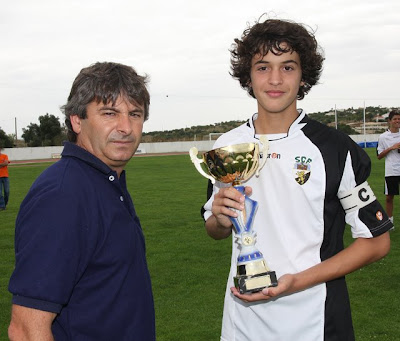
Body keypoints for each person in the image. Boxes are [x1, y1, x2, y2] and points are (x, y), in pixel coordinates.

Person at [201, 17, 392, 341]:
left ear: (304, 75)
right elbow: (215, 229)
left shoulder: (334, 148)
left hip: (314, 321)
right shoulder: (227, 147)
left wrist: (296, 281)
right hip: (242, 323)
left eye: (288, 67)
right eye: (263, 67)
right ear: (248, 74)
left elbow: (377, 242)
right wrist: (219, 219)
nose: (275, 79)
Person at [8, 62, 155, 341]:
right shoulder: (63, 195)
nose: (125, 127)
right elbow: (26, 330)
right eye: (110, 113)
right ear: (77, 120)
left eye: (134, 114)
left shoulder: (103, 180)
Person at [377, 110, 400, 227]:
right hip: (392, 170)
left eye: (399, 119)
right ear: (389, 121)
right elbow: (379, 156)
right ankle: (390, 222)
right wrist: (392, 147)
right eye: (395, 119)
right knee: (389, 197)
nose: (397, 121)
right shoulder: (383, 137)